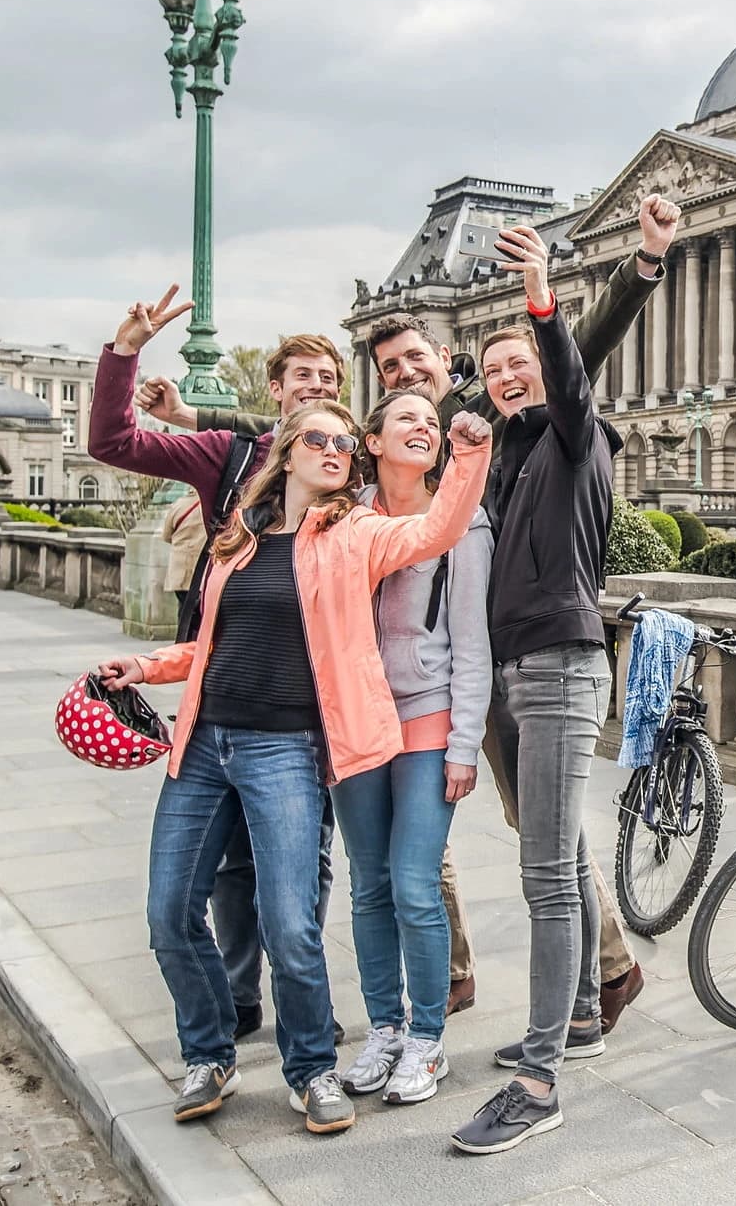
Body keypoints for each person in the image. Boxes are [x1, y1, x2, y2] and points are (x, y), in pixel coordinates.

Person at [97, 398, 492, 1133]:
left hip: (285, 747)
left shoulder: (353, 532)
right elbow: (210, 645)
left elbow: (438, 527)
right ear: (286, 449)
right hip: (204, 743)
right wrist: (146, 666)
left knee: (291, 925)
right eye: (321, 436)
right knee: (169, 915)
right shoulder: (237, 537)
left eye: (347, 439)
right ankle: (209, 1053)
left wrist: (467, 455)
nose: (337, 447)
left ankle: (311, 1067)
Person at [450, 194, 679, 1156]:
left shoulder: (573, 436)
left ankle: (539, 1078)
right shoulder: (502, 458)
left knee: (546, 872)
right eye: (494, 370)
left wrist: (551, 293)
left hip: (556, 663)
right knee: (551, 854)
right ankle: (583, 1011)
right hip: (516, 670)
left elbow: (573, 371)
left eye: (521, 367)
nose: (509, 380)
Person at [90, 291, 346, 1042]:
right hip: (220, 679)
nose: (317, 387)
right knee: (228, 861)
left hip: (305, 704)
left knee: (301, 870)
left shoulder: (343, 469)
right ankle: (237, 996)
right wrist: (124, 350)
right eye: (303, 375)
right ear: (276, 389)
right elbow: (112, 441)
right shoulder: (229, 456)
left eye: (329, 379)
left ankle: (305, 1011)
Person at [335, 389, 493, 1106]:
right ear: (372, 439)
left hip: (427, 716)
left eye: (431, 421)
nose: (423, 427)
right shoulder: (342, 518)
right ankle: (386, 1029)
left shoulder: (460, 519)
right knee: (367, 884)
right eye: (407, 417)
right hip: (357, 721)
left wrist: (464, 744)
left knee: (412, 884)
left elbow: (471, 642)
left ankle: (427, 1039)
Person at [160, 493, 206, 612]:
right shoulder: (209, 505)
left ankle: (183, 630)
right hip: (202, 567)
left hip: (179, 568)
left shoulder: (178, 505)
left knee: (184, 608)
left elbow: (166, 536)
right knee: (200, 611)